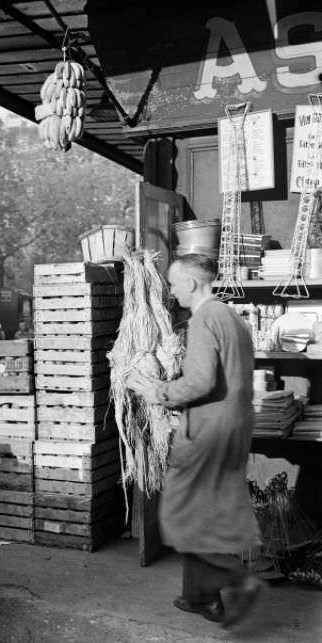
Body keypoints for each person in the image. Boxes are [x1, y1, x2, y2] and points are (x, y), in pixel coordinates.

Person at [130, 254, 263, 628]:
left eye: (173, 284)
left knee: (180, 515)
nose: (171, 292)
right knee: (209, 513)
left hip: (208, 431)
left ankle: (238, 580)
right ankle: (202, 597)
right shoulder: (231, 317)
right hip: (234, 425)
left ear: (191, 283)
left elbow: (201, 382)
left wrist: (157, 391)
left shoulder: (204, 319)